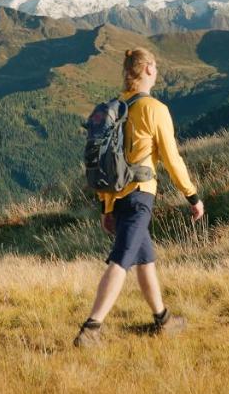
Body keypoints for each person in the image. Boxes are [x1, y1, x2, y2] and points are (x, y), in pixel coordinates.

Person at [74, 48, 205, 348]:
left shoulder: (117, 106)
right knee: (121, 260)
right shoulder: (155, 109)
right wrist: (192, 196)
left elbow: (108, 159)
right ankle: (91, 328)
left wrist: (107, 207)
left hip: (118, 197)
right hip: (140, 196)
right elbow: (172, 159)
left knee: (145, 259)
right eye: (155, 65)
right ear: (146, 69)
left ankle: (164, 320)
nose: (157, 70)